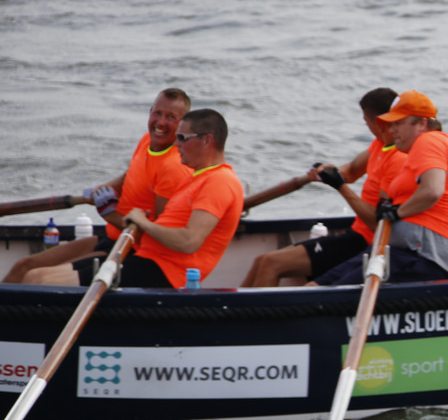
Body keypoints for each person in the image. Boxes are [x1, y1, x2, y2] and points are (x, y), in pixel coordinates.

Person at [9, 89, 194, 284]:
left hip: (133, 248)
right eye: (158, 113)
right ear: (150, 112)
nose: (161, 122)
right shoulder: (148, 140)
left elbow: (159, 239)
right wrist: (103, 188)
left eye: (170, 117)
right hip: (112, 236)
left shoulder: (173, 168)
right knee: (23, 266)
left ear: (182, 125)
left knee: (38, 278)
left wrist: (110, 214)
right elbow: (133, 173)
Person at [240, 88, 404, 287]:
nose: (366, 126)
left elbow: (376, 223)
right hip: (355, 233)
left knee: (270, 264)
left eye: (365, 121)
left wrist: (339, 186)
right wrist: (326, 171)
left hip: (367, 243)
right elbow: (351, 171)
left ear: (376, 122)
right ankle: (230, 307)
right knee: (262, 260)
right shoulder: (380, 144)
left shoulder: (398, 159)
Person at [312, 91, 448, 285]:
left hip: (421, 256)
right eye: (390, 124)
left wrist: (397, 213)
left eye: (399, 123)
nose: (392, 129)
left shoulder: (430, 140)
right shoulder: (411, 155)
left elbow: (432, 191)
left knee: (331, 296)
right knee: (314, 288)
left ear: (422, 124)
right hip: (394, 252)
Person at [118, 108, 244, 288]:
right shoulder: (196, 178)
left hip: (164, 274)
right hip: (147, 262)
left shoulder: (220, 181)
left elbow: (189, 241)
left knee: (74, 278)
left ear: (207, 140)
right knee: (77, 269)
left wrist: (143, 223)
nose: (176, 144)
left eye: (182, 138)